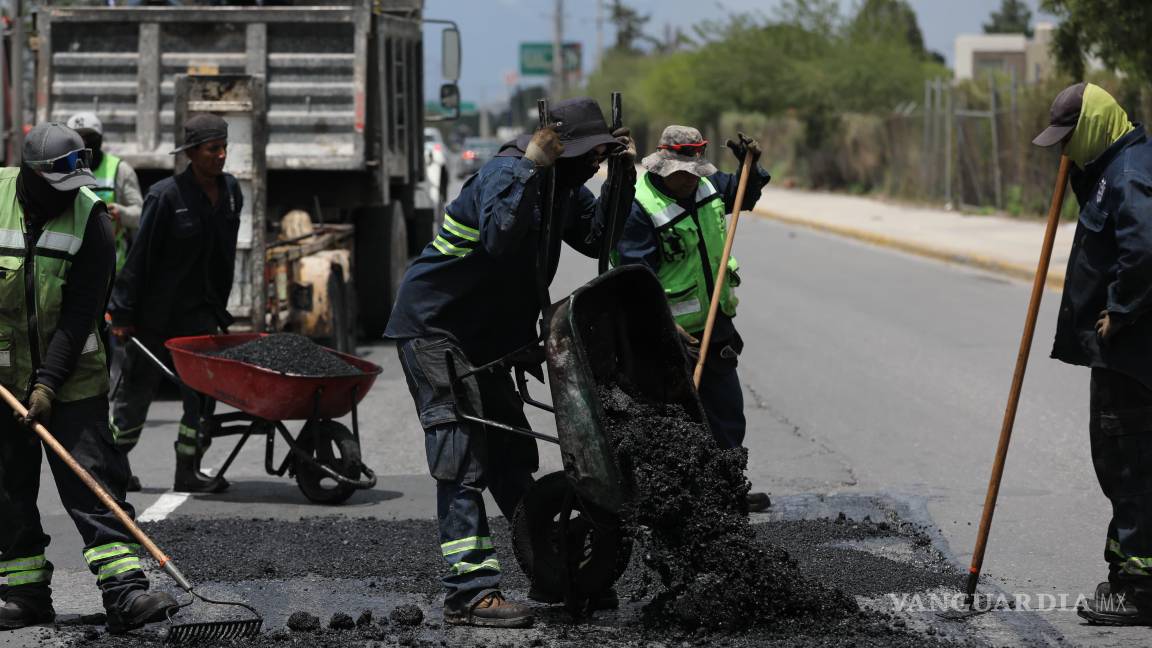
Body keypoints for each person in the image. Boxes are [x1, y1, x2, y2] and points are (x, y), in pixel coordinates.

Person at [385, 96, 635, 628]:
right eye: (588, 155)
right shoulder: (506, 174)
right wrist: (529, 168)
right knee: (461, 455)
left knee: (511, 457)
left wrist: (622, 176)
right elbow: (500, 238)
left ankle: (551, 569)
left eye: (600, 155)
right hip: (437, 330)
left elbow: (600, 239)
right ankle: (469, 594)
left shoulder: (565, 188)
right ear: (555, 148)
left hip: (488, 338)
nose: (593, 163)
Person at [0, 122, 177, 632]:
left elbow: (81, 314)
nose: (67, 199)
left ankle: (127, 594)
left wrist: (48, 384)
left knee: (93, 483)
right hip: (4, 373)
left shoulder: (92, 220)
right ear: (30, 177)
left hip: (72, 377)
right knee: (8, 490)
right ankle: (25, 595)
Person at [1033, 82, 1152, 626]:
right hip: (1123, 353)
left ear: (1094, 127)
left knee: (1128, 463)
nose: (1063, 151)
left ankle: (1139, 587)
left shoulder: (1127, 174)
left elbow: (1145, 247)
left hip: (1130, 354)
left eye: (1069, 139)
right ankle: (1128, 574)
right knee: (1123, 461)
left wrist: (1119, 310)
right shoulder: (1114, 166)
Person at [614, 125, 772, 513]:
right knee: (674, 419)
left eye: (692, 170)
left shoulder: (709, 184)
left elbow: (743, 195)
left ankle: (727, 492)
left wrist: (752, 165)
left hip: (714, 323)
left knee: (726, 414)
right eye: (679, 173)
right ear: (662, 166)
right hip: (666, 332)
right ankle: (672, 500)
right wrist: (662, 322)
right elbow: (636, 277)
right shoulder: (639, 206)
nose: (687, 180)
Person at [107, 114, 242, 494]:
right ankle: (113, 465)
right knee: (136, 393)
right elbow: (140, 257)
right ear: (192, 153)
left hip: (201, 312)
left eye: (223, 148)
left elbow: (225, 255)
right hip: (155, 316)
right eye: (212, 149)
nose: (220, 155)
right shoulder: (165, 196)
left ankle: (189, 468)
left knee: (200, 396)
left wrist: (219, 306)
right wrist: (123, 312)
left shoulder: (231, 192)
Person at [65, 112, 143, 273]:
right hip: (69, 266)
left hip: (110, 270)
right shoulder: (61, 171)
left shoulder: (120, 170)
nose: (84, 142)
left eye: (89, 136)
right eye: (78, 137)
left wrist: (121, 213)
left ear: (100, 139)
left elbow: (141, 215)